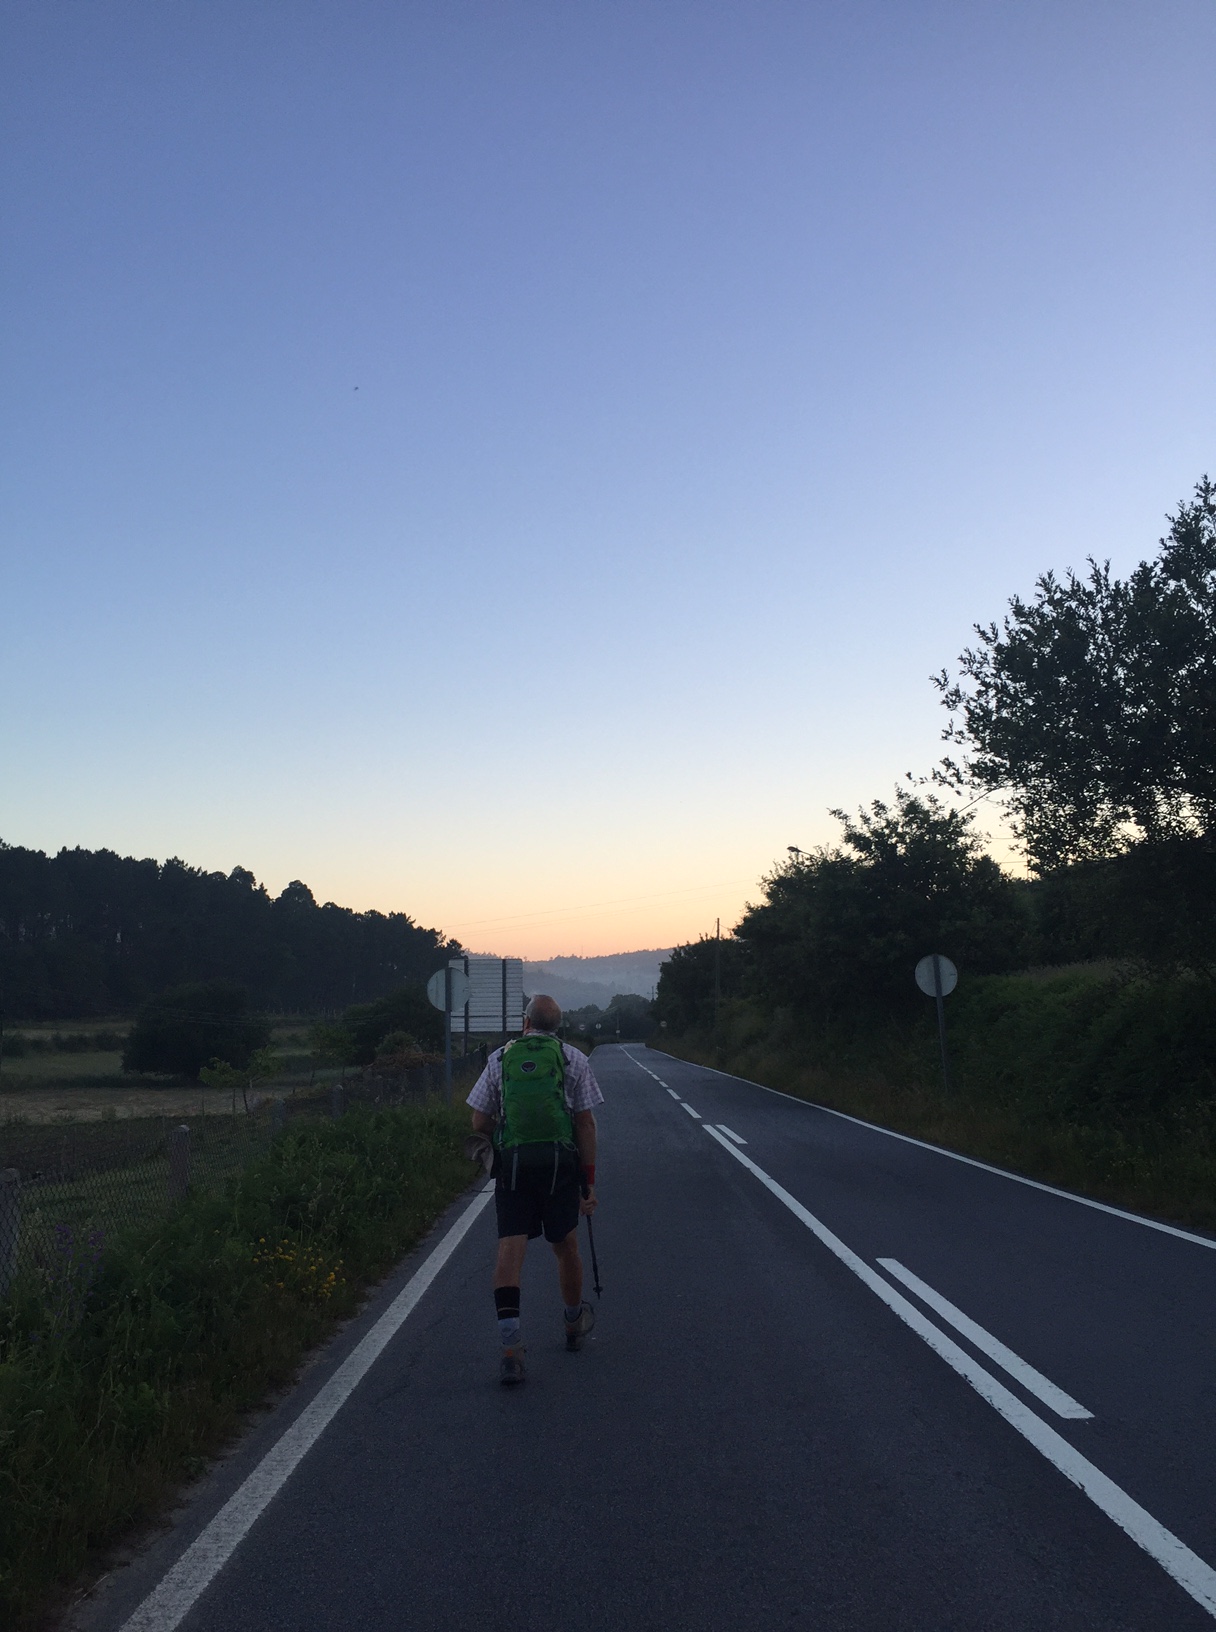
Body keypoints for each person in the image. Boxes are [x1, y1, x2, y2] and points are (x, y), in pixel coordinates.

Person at [467, 993, 603, 1384]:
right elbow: (585, 1124)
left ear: (525, 1022)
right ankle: (573, 1322)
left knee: (510, 1251)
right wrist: (588, 1183)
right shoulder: (573, 1059)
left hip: (514, 1167)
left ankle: (511, 1348)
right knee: (566, 1247)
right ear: (557, 1026)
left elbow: (478, 1122)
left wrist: (506, 1132)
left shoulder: (499, 1059)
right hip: (560, 1167)